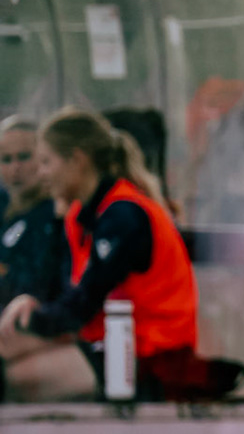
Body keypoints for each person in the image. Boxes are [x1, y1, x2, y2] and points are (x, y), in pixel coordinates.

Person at [0, 108, 201, 401]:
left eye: (46, 162)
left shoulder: (124, 214)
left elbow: (83, 304)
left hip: (150, 356)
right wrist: (30, 308)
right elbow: (72, 296)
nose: (40, 173)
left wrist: (31, 321)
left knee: (13, 379)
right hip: (105, 342)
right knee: (6, 348)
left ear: (76, 161)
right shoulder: (80, 214)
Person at [0, 115, 66, 310]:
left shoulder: (56, 213)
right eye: (6, 159)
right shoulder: (4, 206)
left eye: (24, 157)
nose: (15, 168)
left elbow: (39, 285)